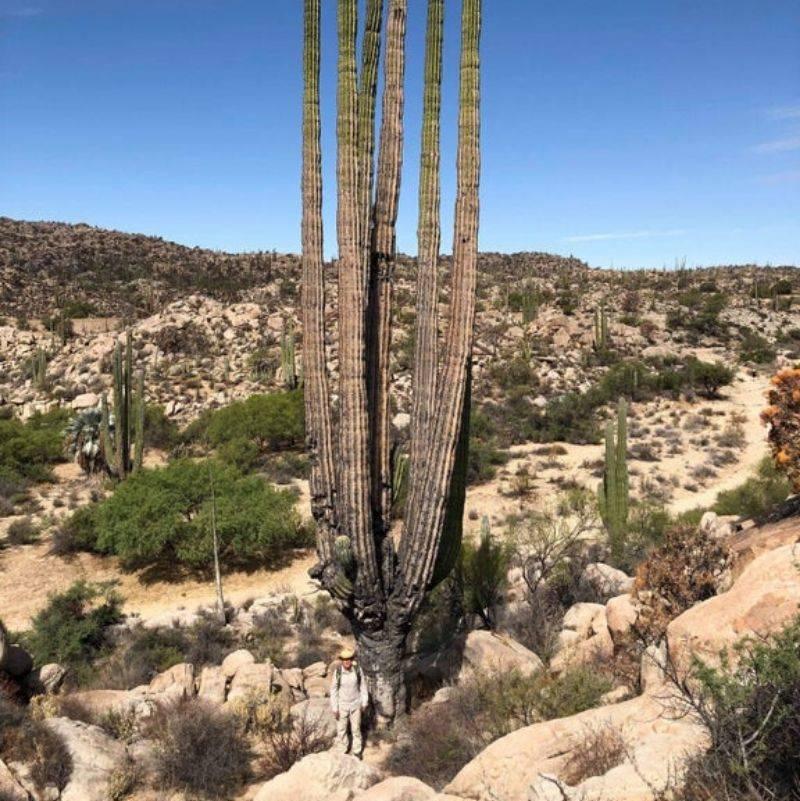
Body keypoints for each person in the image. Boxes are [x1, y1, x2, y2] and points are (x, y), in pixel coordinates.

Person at [330, 645, 369, 758]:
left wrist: (364, 702)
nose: (347, 661)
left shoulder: (357, 670)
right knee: (341, 730)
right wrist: (335, 708)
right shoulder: (338, 673)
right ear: (342, 661)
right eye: (345, 659)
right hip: (342, 705)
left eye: (349, 659)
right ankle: (343, 750)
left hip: (356, 704)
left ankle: (357, 751)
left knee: (356, 729)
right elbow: (334, 691)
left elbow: (363, 687)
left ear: (352, 659)